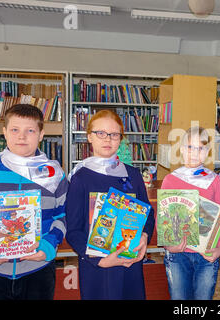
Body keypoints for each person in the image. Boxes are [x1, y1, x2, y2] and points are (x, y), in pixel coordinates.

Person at [66, 109, 155, 300]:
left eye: (114, 135)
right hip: (97, 267)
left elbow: (148, 213)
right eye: (101, 133)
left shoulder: (133, 174)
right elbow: (73, 230)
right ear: (89, 137)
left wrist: (145, 235)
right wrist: (99, 260)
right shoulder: (80, 178)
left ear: (120, 138)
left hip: (129, 262)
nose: (107, 139)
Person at [0, 104, 68, 300]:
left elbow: (63, 216)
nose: (22, 136)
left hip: (38, 269)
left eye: (30, 130)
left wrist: (47, 246)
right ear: (4, 132)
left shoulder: (55, 174)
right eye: (15, 130)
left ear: (41, 134)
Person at [160, 126, 220, 300]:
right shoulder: (170, 179)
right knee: (179, 297)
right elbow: (163, 216)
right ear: (182, 150)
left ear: (207, 152)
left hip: (206, 253)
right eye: (190, 147)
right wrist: (169, 245)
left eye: (201, 148)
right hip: (177, 254)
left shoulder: (213, 180)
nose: (195, 152)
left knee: (203, 297)